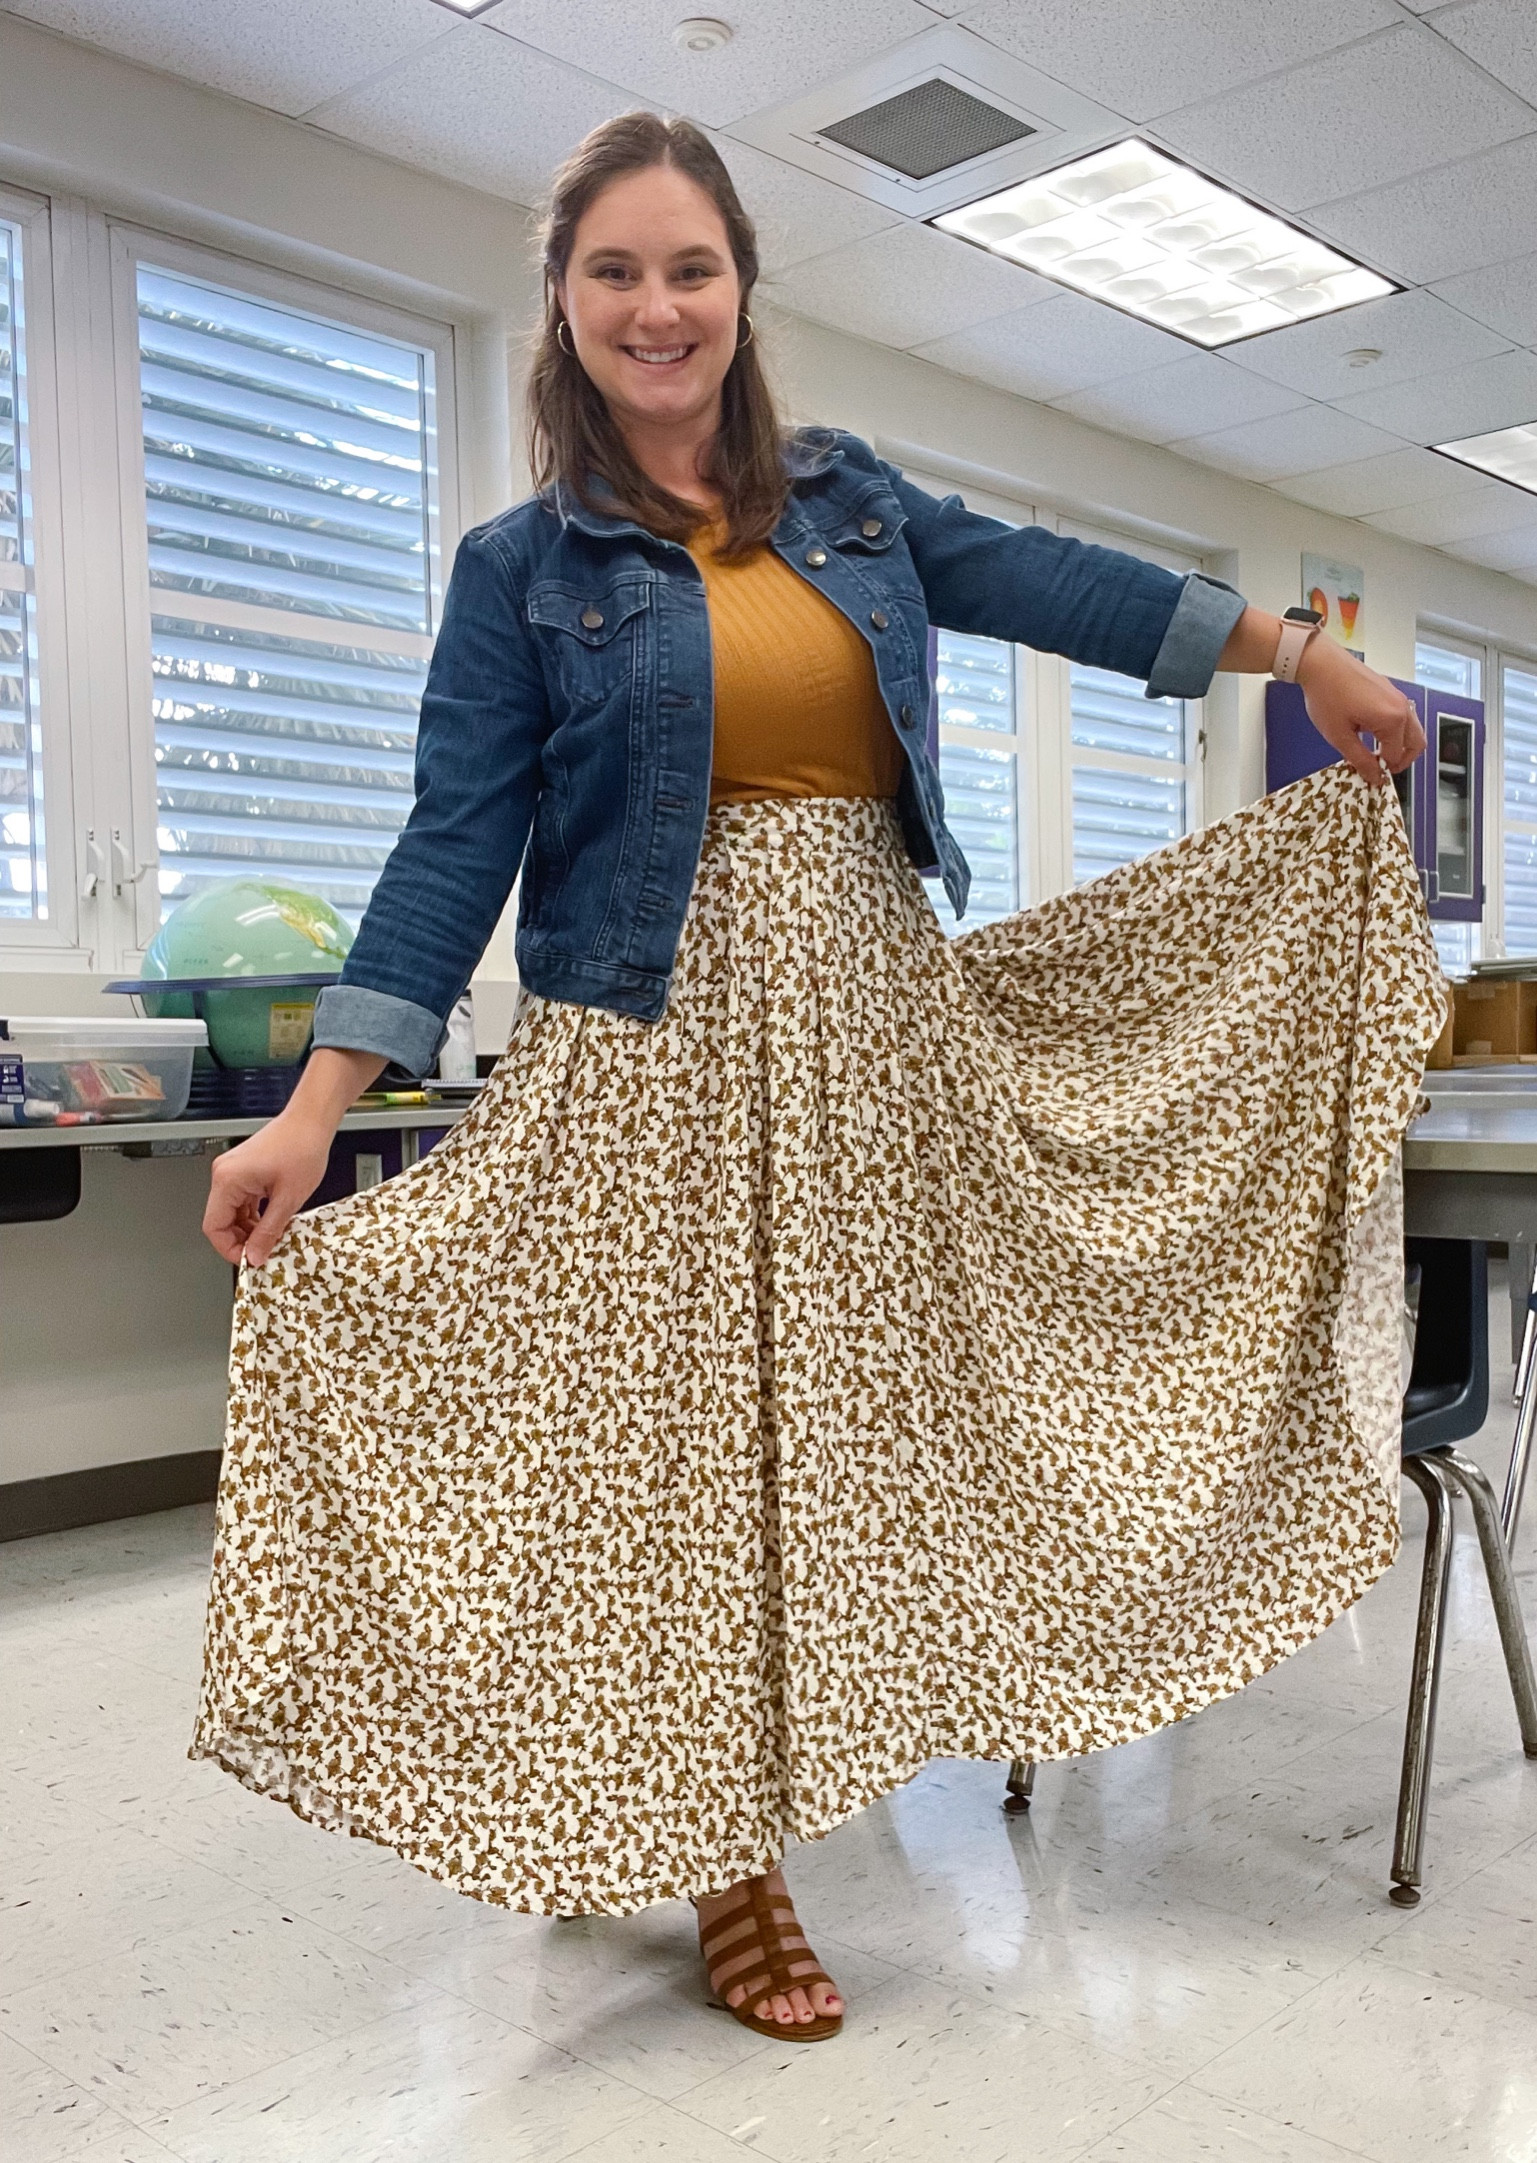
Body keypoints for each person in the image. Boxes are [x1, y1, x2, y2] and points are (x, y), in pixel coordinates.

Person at [193, 113, 1443, 2046]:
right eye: (614, 270)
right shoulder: (521, 567)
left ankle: (761, 1782)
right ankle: (730, 1865)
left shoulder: (846, 502)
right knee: (675, 1465)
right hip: (648, 1056)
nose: (655, 304)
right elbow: (452, 850)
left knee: (850, 1446)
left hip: (867, 1035)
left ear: (741, 290)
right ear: (563, 302)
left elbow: (1051, 581)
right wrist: (309, 1109)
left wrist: (1298, 653)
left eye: (689, 266)